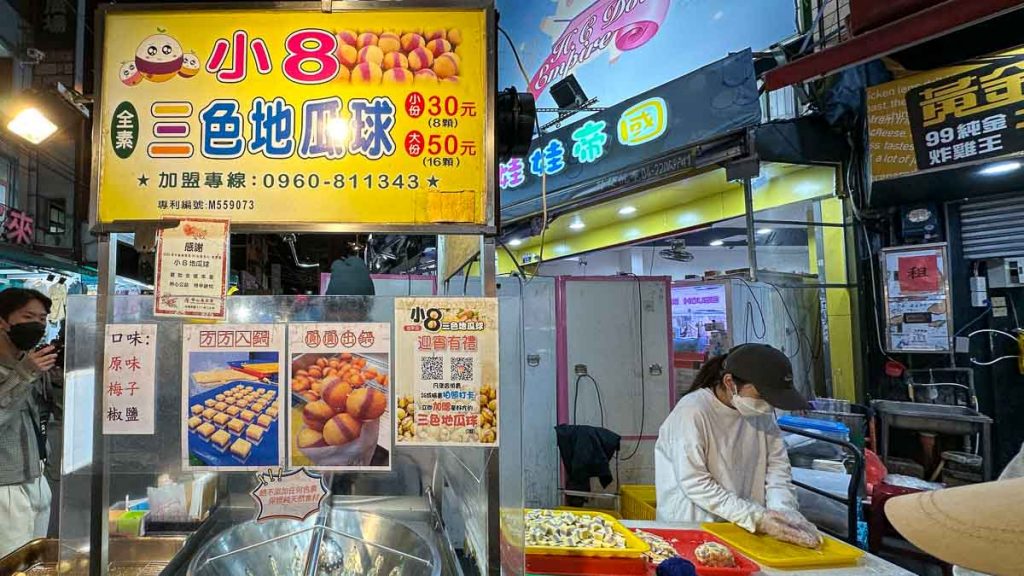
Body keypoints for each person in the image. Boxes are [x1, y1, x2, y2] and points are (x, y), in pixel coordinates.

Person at [655, 343, 821, 547]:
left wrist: (783, 511)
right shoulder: (692, 412)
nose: (767, 405)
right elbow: (695, 482)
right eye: (761, 396)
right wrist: (757, 518)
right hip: (694, 529)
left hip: (743, 529)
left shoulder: (761, 415)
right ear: (729, 382)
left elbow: (777, 468)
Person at [0, 288, 58, 557]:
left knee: (36, 564)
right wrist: (26, 375)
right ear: (3, 321)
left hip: (37, 476)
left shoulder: (32, 363)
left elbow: (51, 412)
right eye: (28, 317)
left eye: (43, 319)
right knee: (12, 564)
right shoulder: (26, 368)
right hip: (5, 485)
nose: (37, 325)